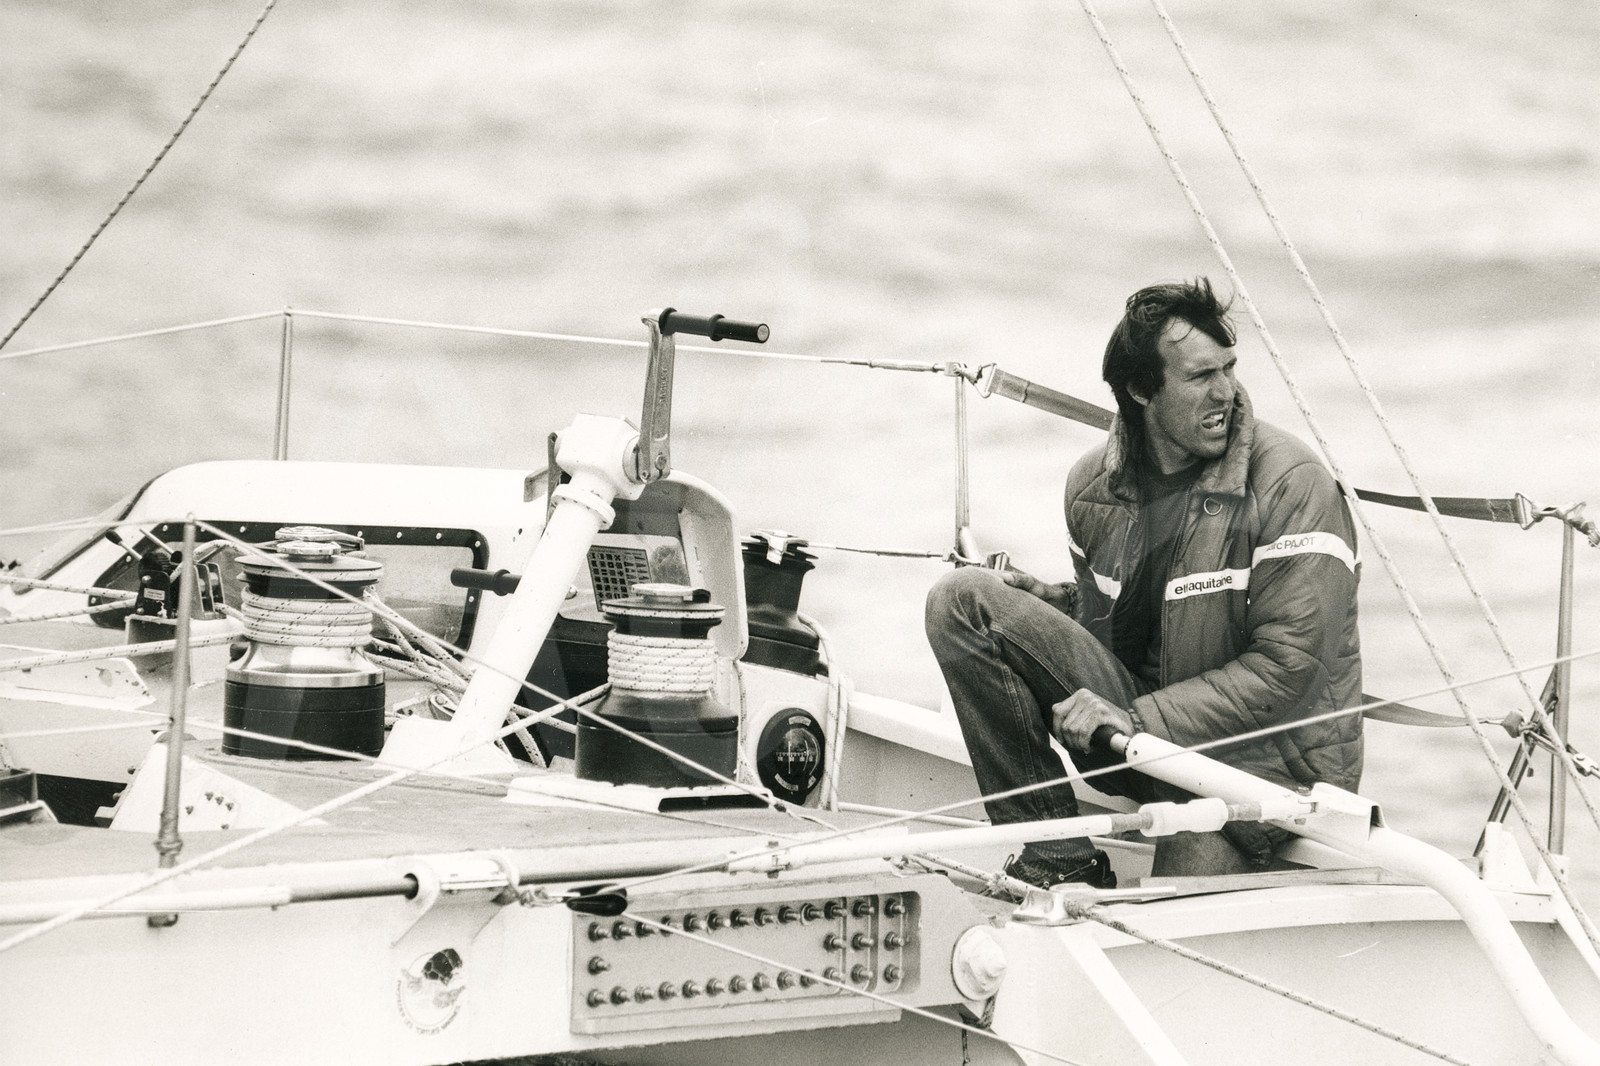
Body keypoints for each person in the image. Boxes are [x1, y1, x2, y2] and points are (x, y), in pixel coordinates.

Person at [925, 278, 1362, 888]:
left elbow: (1288, 668)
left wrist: (1136, 718)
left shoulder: (1292, 483)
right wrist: (1063, 606)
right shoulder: (1092, 489)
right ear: (1140, 390)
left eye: (1229, 369)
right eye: (1200, 376)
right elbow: (1140, 625)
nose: (1226, 393)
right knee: (963, 600)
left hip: (1261, 770)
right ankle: (1058, 856)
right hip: (1146, 742)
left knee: (1166, 925)